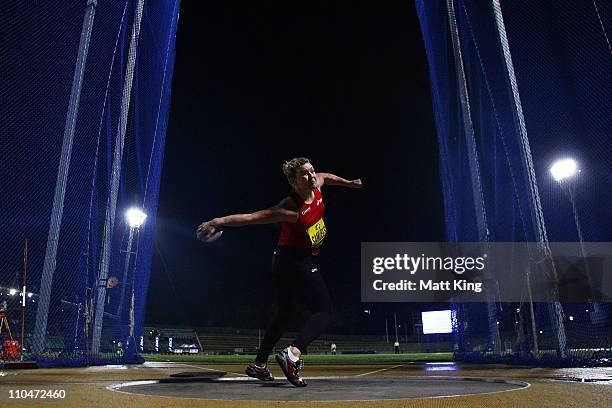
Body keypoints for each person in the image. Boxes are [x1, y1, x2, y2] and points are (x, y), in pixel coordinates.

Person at [197, 157, 362, 387]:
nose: (312, 176)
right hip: (294, 260)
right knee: (325, 312)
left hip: (287, 259)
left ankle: (259, 364)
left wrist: (349, 183)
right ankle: (292, 354)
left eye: (312, 171)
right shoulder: (290, 208)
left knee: (284, 315)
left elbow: (328, 177)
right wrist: (217, 221)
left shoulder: (318, 184)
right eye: (305, 174)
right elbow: (252, 218)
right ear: (294, 181)